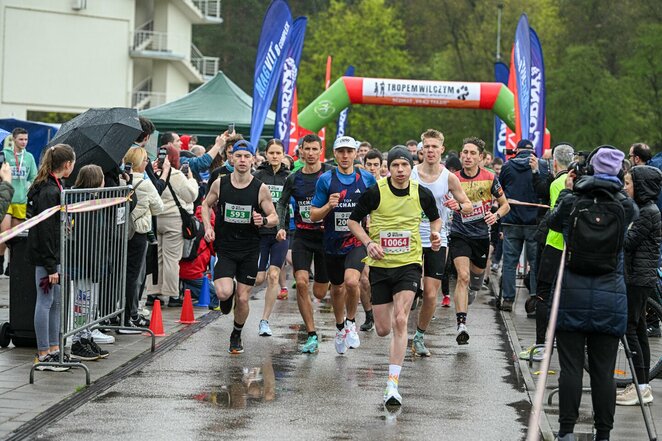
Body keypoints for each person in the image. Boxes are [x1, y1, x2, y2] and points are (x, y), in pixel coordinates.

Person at [548, 146, 637, 441]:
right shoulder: (624, 206)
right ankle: (603, 434)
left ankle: (566, 431)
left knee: (570, 368)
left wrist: (569, 190)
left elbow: (552, 223)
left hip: (571, 293)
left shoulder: (574, 200)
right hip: (610, 297)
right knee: (604, 371)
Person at [348, 146, 441, 406]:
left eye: (405, 166)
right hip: (380, 265)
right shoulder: (375, 191)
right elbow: (353, 222)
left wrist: (434, 234)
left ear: (412, 168)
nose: (400, 170)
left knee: (401, 320)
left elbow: (436, 219)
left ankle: (392, 385)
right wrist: (368, 243)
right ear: (389, 167)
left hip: (409, 264)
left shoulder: (421, 193)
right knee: (382, 329)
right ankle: (390, 361)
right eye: (396, 165)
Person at [201, 140, 278, 354]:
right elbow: (205, 205)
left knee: (243, 299)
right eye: (239, 156)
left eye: (247, 156)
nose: (243, 160)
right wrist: (208, 226)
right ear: (231, 158)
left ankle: (236, 334)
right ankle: (230, 293)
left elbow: (274, 216)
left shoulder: (260, 188)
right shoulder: (220, 183)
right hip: (225, 247)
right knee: (223, 292)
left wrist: (262, 220)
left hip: (250, 249)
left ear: (253, 159)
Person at [310, 136, 377, 354]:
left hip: (357, 240)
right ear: (335, 154)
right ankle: (340, 328)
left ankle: (350, 323)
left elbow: (378, 208)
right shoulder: (325, 180)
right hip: (331, 243)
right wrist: (328, 206)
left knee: (351, 282)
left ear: (357, 153)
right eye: (341, 152)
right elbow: (313, 215)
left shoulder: (366, 179)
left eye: (349, 151)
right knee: (337, 289)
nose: (345, 156)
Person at [409, 129, 472, 356]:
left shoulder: (449, 177)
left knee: (431, 295)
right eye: (427, 146)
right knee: (409, 289)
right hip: (412, 238)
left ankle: (419, 335)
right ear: (421, 150)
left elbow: (468, 205)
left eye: (435, 146)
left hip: (438, 239)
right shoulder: (410, 174)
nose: (431, 150)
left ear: (442, 149)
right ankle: (399, 328)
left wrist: (458, 206)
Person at [275, 134, 332, 353]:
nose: (309, 153)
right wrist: (280, 226)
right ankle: (311, 333)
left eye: (314, 149)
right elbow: (281, 203)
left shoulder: (329, 173)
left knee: (319, 293)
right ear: (300, 152)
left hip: (326, 238)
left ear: (320, 151)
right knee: (300, 283)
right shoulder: (294, 178)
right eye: (306, 149)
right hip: (302, 237)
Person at [449, 137, 509, 344]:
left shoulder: (490, 178)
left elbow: (505, 205)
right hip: (459, 233)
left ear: (481, 158)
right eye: (465, 152)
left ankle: (473, 289)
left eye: (472, 153)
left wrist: (496, 216)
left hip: (481, 235)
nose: (467, 156)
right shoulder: (453, 178)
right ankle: (461, 325)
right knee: (462, 276)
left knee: (475, 279)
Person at [519, 143, 574, 361]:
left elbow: (554, 217)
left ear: (554, 163)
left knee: (543, 294)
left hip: (554, 245)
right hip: (573, 248)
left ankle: (541, 346)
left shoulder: (558, 183)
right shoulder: (576, 181)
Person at [617, 165, 662, 405]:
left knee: (631, 331)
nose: (625, 188)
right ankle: (642, 385)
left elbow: (627, 241)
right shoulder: (644, 209)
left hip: (637, 279)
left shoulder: (647, 212)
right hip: (637, 278)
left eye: (628, 183)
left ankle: (641, 387)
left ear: (641, 186)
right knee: (638, 330)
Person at [28, 144, 76, 371]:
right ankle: (44, 353)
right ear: (67, 165)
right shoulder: (49, 191)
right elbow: (46, 230)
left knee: (55, 302)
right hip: (46, 257)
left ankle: (54, 349)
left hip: (53, 254)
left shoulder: (54, 186)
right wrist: (50, 266)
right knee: (46, 302)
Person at [498, 139, 548, 312]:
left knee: (510, 263)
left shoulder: (507, 166)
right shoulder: (541, 165)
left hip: (511, 220)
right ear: (533, 151)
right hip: (534, 222)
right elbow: (544, 190)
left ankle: (508, 299)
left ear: (516, 150)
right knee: (535, 264)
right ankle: (534, 300)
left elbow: (499, 190)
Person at [146, 143, 199, 307]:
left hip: (155, 219)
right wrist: (191, 179)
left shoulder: (152, 173)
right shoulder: (176, 174)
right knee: (171, 259)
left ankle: (153, 294)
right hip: (173, 220)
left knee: (155, 258)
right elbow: (190, 196)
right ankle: (172, 294)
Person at [69, 165, 111, 361]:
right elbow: (89, 238)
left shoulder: (94, 201)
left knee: (89, 301)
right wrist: (96, 266)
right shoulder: (85, 203)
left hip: (92, 261)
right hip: (85, 262)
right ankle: (78, 340)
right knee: (82, 302)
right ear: (97, 181)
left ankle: (85, 335)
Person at [120, 147, 164, 333]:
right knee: (133, 275)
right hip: (138, 232)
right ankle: (130, 315)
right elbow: (159, 208)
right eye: (145, 160)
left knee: (120, 274)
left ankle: (121, 314)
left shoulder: (122, 181)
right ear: (140, 163)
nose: (147, 163)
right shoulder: (145, 184)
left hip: (122, 232)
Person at [252, 139, 290, 337]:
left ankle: (264, 321)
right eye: (271, 153)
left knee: (274, 275)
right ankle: (237, 300)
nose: (275, 156)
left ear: (283, 155)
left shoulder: (289, 178)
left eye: (278, 153)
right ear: (266, 154)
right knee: (258, 279)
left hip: (280, 234)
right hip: (259, 234)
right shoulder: (257, 176)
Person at [0, 128, 37, 276]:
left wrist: (29, 186)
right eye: (21, 139)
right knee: (4, 232)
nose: (24, 142)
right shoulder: (5, 155)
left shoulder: (29, 157)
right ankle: (1, 261)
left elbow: (33, 176)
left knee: (16, 236)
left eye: (26, 139)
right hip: (7, 199)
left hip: (21, 200)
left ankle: (12, 265)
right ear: (14, 139)